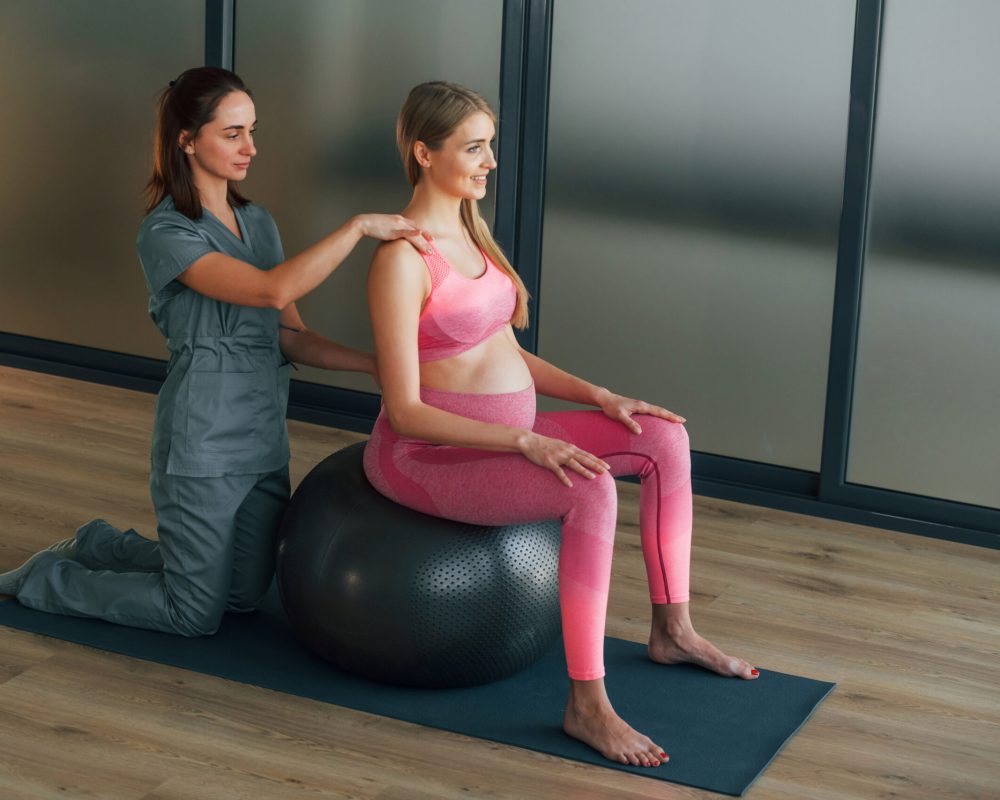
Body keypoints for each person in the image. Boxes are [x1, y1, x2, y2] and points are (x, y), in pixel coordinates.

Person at [363, 81, 758, 767]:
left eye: (492, 146)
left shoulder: (470, 231)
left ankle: (674, 629)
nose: (491, 162)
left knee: (663, 437)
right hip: (426, 456)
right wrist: (524, 438)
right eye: (475, 148)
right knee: (591, 488)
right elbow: (405, 410)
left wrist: (601, 396)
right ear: (424, 152)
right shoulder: (401, 260)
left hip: (507, 436)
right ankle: (587, 703)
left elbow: (503, 349)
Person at [0, 67, 430, 637]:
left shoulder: (259, 223)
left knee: (244, 595)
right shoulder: (166, 232)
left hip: (262, 438)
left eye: (252, 130)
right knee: (193, 614)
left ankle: (99, 543)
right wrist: (357, 228)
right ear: (187, 139)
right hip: (200, 443)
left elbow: (290, 332)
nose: (250, 147)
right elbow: (271, 290)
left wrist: (377, 365)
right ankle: (45, 578)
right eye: (232, 134)